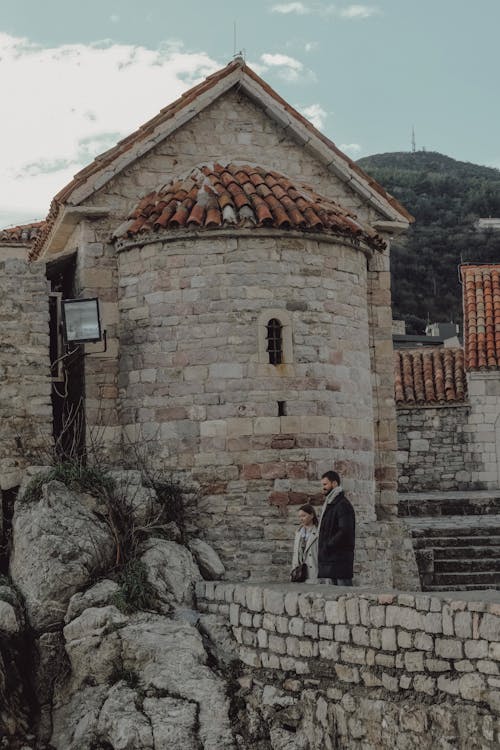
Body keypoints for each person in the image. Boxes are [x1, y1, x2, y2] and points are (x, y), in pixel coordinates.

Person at [317, 470, 355, 585]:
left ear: (334, 484)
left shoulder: (342, 505)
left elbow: (345, 531)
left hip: (338, 561)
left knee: (344, 597)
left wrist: (328, 546)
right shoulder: (331, 504)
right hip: (330, 561)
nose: (322, 488)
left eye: (325, 484)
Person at [291, 504, 319, 583]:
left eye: (304, 516)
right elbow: (295, 554)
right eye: (299, 516)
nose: (301, 519)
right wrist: (294, 570)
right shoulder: (298, 533)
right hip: (299, 573)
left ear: (312, 515)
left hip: (313, 570)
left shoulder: (318, 532)